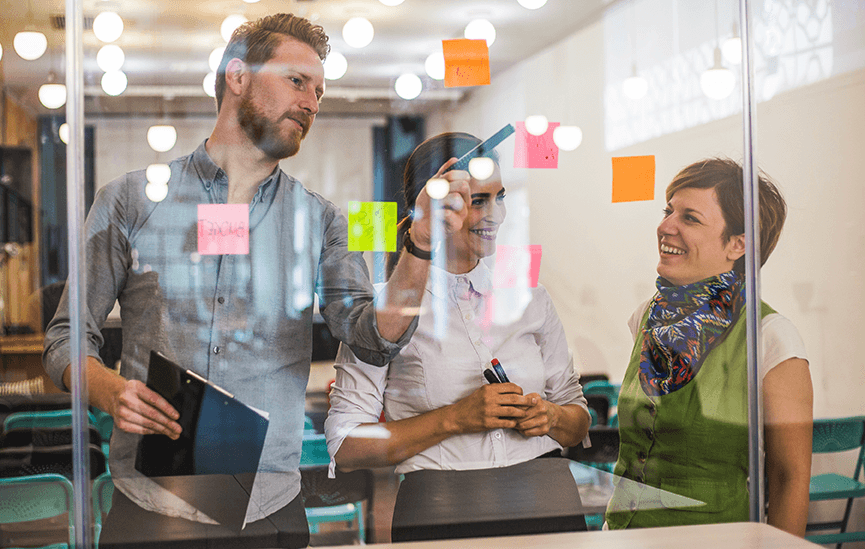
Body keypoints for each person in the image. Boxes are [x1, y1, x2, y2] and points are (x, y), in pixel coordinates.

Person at [42, 13, 470, 546]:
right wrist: (109, 390)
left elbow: (373, 338)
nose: (312, 102)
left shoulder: (322, 220)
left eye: (320, 90)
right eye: (297, 81)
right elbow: (65, 338)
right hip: (151, 506)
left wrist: (421, 246)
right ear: (237, 76)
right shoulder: (130, 200)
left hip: (269, 514)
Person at [325, 133, 592, 533]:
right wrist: (455, 418)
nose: (496, 215)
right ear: (429, 206)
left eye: (499, 197)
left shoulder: (530, 297)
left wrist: (550, 416)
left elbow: (578, 419)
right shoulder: (385, 314)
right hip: (442, 509)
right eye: (477, 201)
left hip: (549, 499)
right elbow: (347, 447)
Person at [605, 158, 812, 536]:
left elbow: (790, 477)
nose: (665, 226)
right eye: (668, 211)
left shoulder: (770, 336)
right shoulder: (647, 317)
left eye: (690, 218)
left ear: (737, 244)